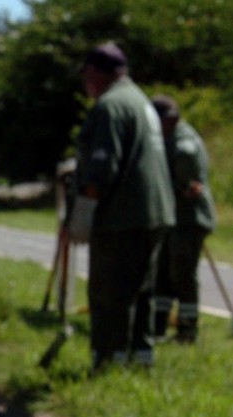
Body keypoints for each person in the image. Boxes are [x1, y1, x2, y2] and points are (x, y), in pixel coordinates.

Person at [66, 42, 176, 372]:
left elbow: (103, 166)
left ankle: (108, 362)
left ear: (98, 74)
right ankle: (140, 360)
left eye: (87, 75)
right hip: (154, 213)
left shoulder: (109, 107)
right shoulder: (139, 100)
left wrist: (84, 211)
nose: (86, 83)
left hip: (123, 217)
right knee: (141, 290)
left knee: (108, 292)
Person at [151, 95, 216, 343]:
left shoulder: (183, 143)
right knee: (163, 275)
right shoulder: (167, 138)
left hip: (189, 219)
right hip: (173, 217)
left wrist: (181, 186)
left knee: (182, 276)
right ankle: (157, 326)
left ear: (172, 119)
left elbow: (185, 178)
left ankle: (188, 331)